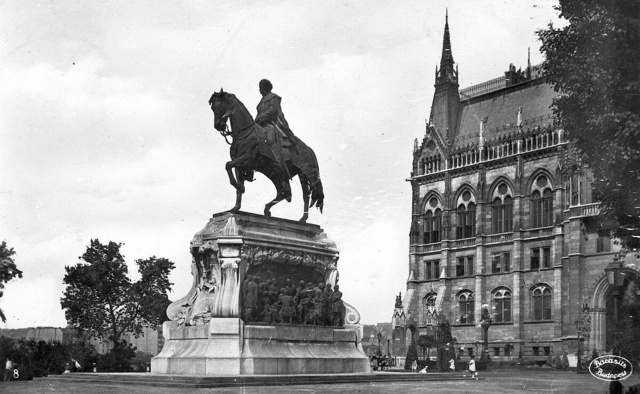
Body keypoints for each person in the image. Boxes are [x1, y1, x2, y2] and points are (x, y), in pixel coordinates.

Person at [255, 79, 297, 166]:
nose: (260, 90)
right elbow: (258, 114)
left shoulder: (273, 98)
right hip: (261, 126)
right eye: (259, 88)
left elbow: (273, 111)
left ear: (266, 88)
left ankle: (278, 161)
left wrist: (260, 118)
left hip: (271, 125)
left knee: (270, 139)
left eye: (261, 88)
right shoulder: (261, 102)